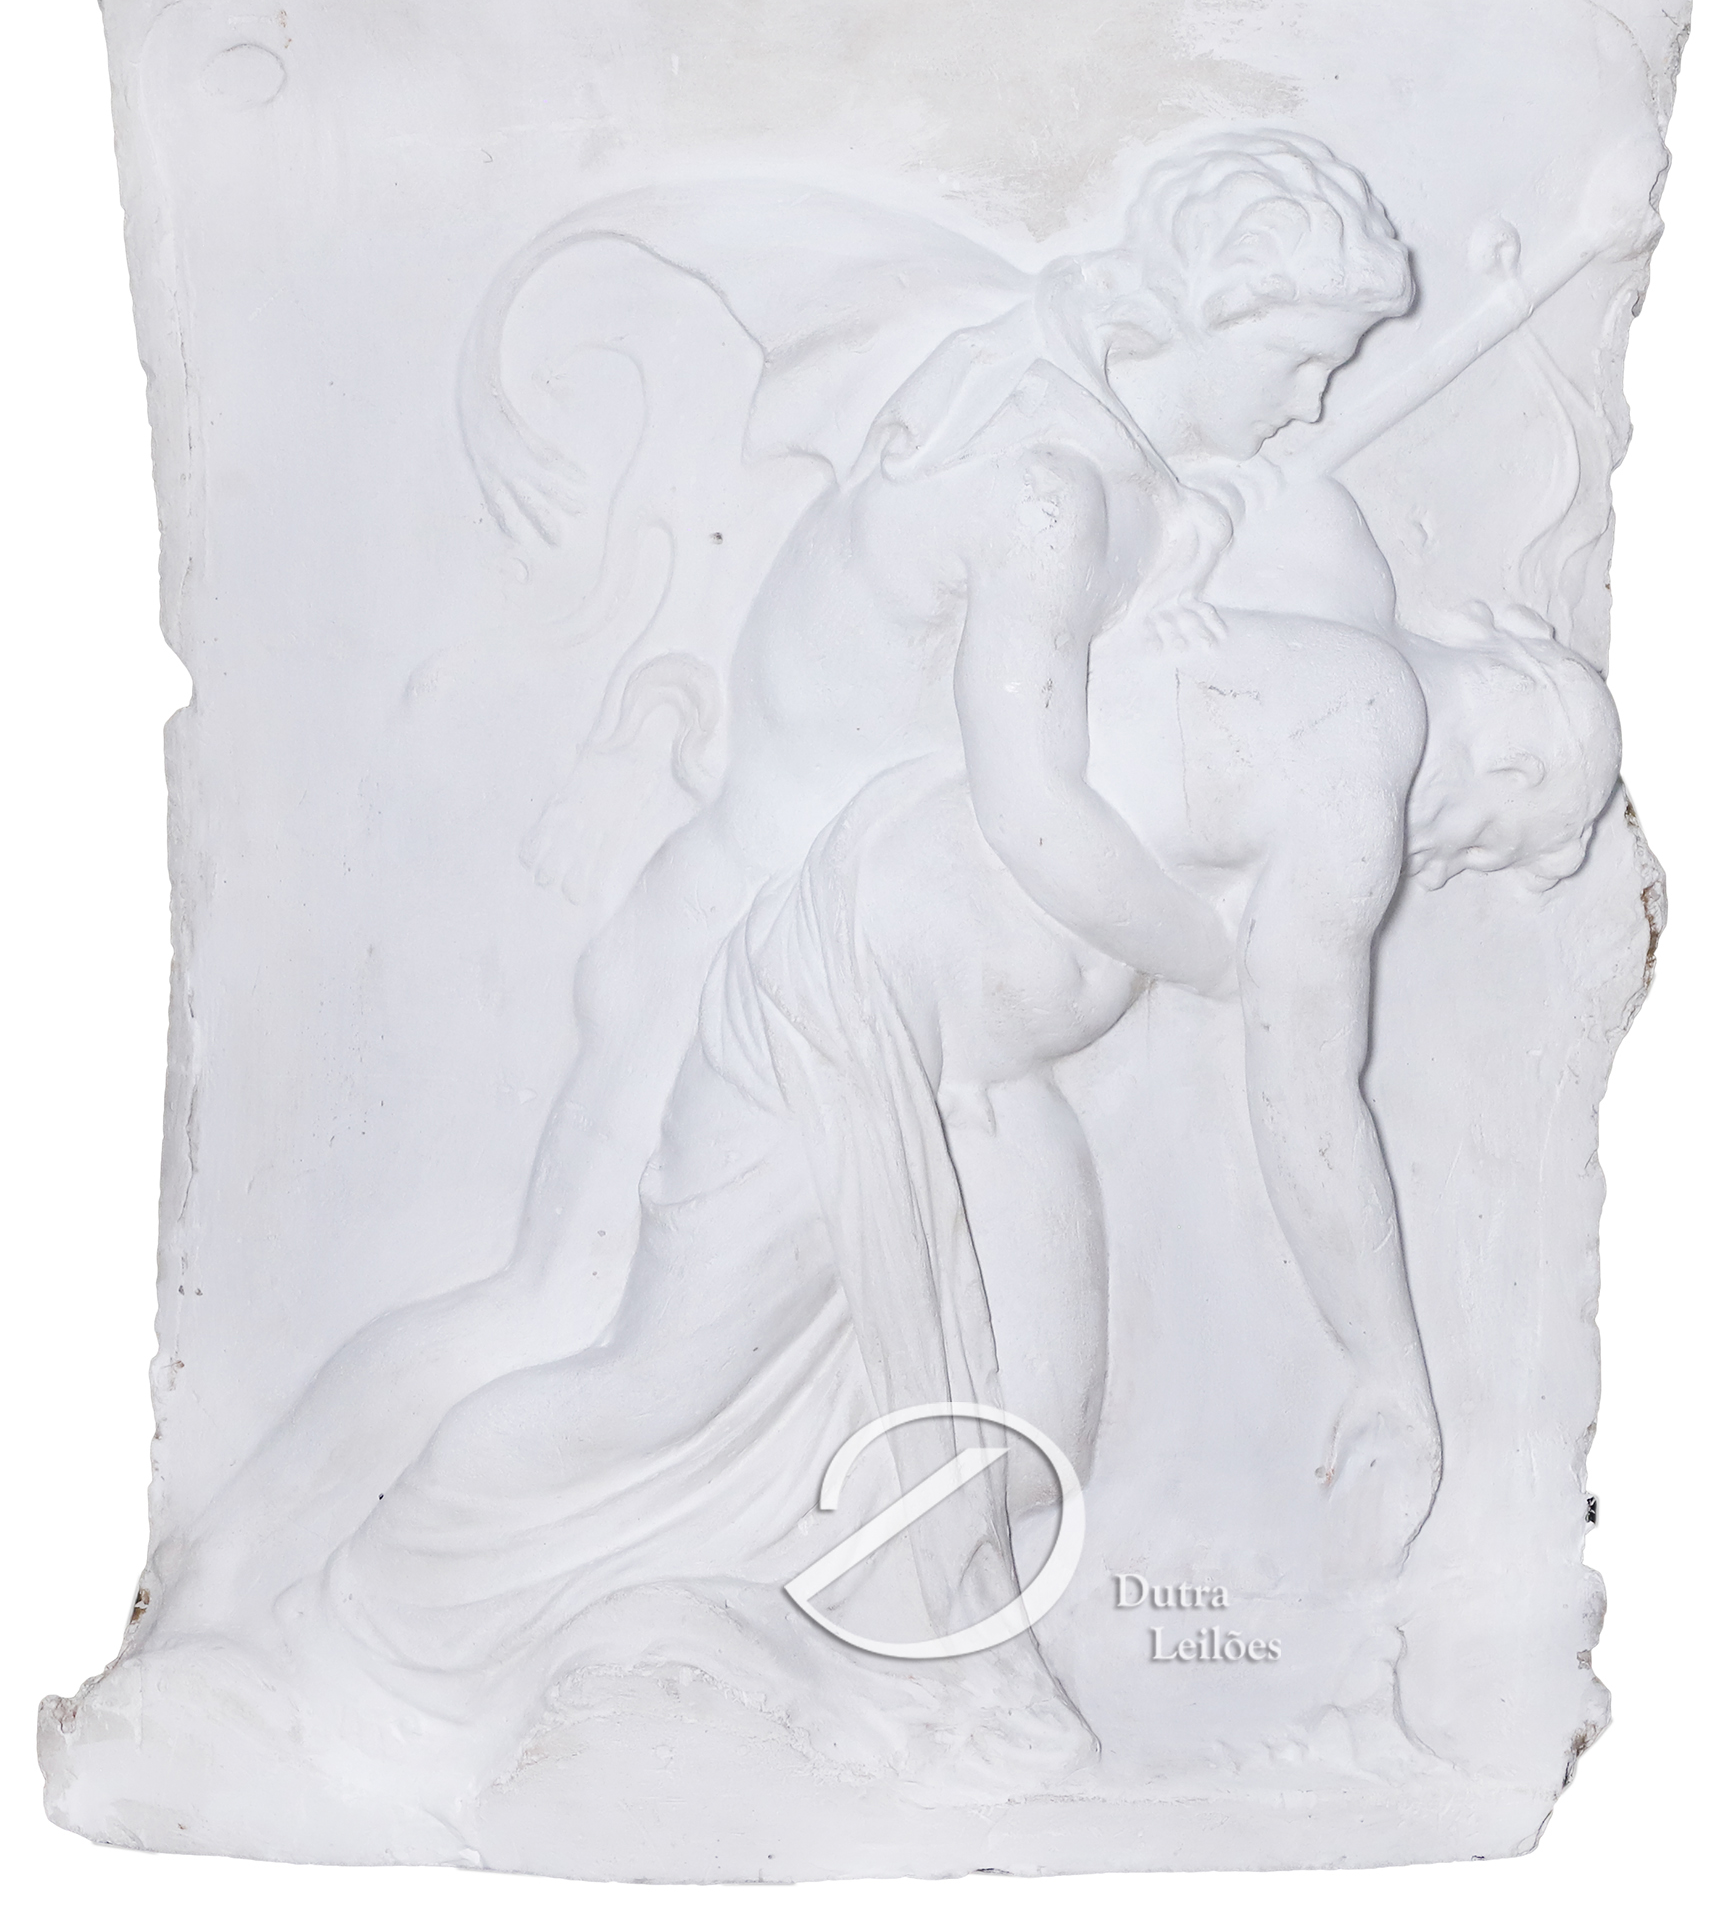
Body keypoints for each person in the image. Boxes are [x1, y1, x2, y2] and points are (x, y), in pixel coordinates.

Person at [150, 131, 1417, 1637]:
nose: (1309, 403)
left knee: (1000, 1406)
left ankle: (818, 1642)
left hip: (887, 982)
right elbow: (1030, 806)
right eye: (1298, 359)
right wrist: (1222, 959)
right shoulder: (1047, 488)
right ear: (1206, 309)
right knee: (552, 1314)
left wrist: (1176, 555)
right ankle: (235, 1593)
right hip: (737, 936)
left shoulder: (1043, 394)